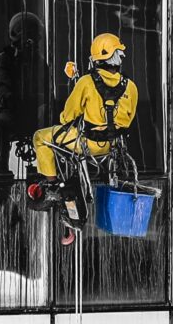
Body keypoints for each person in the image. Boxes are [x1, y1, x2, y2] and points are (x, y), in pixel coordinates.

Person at [29, 31, 140, 240]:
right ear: (117, 58)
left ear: (97, 58)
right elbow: (127, 119)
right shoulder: (131, 87)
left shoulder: (86, 83)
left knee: (40, 138)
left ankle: (52, 185)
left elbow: (67, 116)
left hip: (86, 144)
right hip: (112, 147)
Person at [0, 10, 47, 202]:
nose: (31, 43)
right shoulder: (5, 59)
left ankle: (47, 173)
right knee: (4, 123)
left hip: (32, 115)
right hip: (13, 113)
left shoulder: (38, 63)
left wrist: (39, 105)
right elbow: (5, 90)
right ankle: (0, 173)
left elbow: (46, 90)